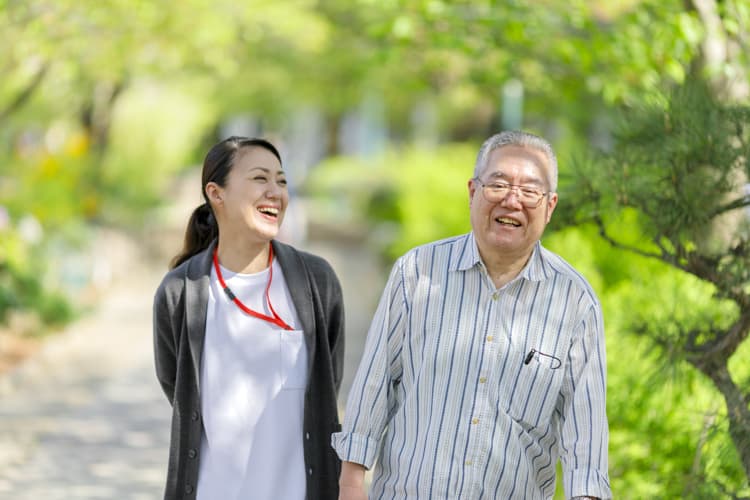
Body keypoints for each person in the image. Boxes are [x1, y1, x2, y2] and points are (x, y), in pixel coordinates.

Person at [332, 130, 611, 499]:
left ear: (550, 206)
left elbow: (585, 441)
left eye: (530, 191)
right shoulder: (417, 272)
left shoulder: (574, 302)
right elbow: (374, 385)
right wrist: (351, 484)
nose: (513, 200)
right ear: (472, 192)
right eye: (498, 184)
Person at [153, 136, 345, 500]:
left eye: (282, 181)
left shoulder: (317, 281)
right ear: (217, 193)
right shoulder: (181, 291)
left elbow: (326, 380)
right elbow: (177, 386)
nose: (276, 192)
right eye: (260, 178)